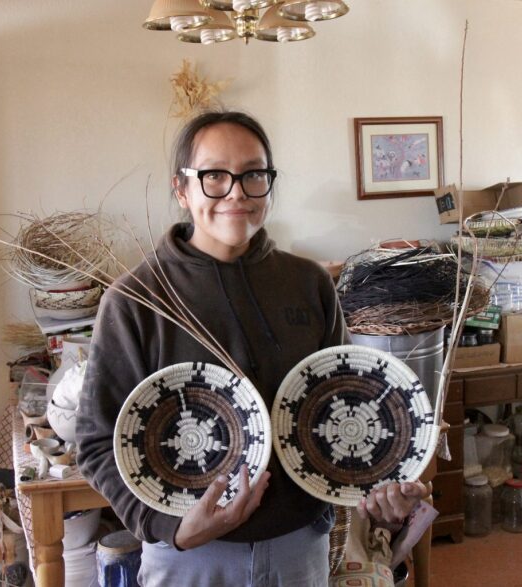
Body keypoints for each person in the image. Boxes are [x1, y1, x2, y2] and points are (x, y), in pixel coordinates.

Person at [76, 110, 426, 587]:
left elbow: (341, 409)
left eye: (253, 174)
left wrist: (377, 485)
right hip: (191, 556)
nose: (237, 191)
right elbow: (97, 441)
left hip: (299, 544)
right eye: (215, 175)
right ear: (182, 189)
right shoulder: (136, 300)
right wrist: (171, 529)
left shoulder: (308, 284)